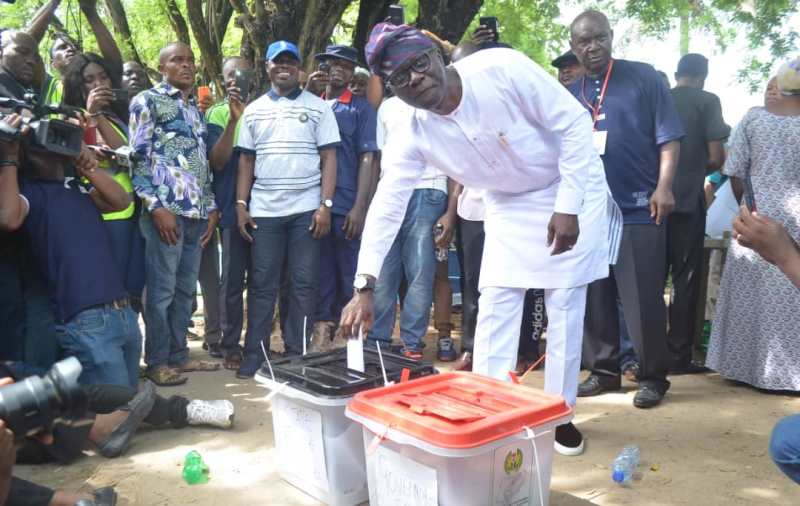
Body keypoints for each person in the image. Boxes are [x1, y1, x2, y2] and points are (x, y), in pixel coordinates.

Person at [340, 23, 618, 456]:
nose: (414, 79)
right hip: (505, 201)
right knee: (495, 300)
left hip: (568, 181)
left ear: (440, 57)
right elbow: (388, 202)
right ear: (391, 88)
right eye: (399, 78)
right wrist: (364, 285)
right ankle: (490, 412)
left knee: (564, 303)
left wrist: (568, 204)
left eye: (418, 64)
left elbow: (574, 124)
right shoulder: (411, 129)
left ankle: (559, 416)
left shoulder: (501, 68)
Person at [569, 10, 684, 408]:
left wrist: (664, 187)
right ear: (573, 46)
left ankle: (652, 376)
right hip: (591, 212)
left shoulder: (644, 78)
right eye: (583, 41)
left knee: (643, 297)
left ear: (611, 37)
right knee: (595, 295)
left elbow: (669, 138)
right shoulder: (571, 93)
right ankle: (604, 371)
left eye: (598, 37)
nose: (592, 47)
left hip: (639, 206)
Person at [0, 111, 141, 389]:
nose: (52, 147)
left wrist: (88, 166)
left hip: (122, 311)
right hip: (85, 320)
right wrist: (9, 159)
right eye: (40, 145)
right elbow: (8, 218)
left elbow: (120, 200)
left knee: (127, 400)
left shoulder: (74, 186)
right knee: (117, 404)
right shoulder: (31, 193)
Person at [234, 41, 339, 377]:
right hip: (264, 210)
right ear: (267, 67)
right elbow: (246, 161)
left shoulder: (319, 108)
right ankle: (256, 355)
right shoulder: (253, 110)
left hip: (306, 210)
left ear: (299, 67)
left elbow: (329, 158)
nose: (285, 67)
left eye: (291, 62)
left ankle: (298, 354)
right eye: (278, 62)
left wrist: (325, 205)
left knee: (304, 283)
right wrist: (240, 204)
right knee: (263, 283)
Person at [705, 57, 800, 391]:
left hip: (757, 220)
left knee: (753, 296)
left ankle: (748, 369)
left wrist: (750, 208)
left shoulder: (753, 120)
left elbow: (736, 173)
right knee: (792, 292)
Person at [130, 42, 222, 386]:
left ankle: (179, 356)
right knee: (162, 290)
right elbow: (137, 159)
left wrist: (210, 206)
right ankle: (157, 361)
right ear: (161, 67)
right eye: (177, 60)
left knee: (185, 290)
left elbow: (201, 165)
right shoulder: (147, 101)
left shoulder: (194, 109)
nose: (186, 66)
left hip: (196, 213)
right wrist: (155, 207)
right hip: (166, 212)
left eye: (190, 60)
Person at [367, 93, 457, 360]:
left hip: (428, 189)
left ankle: (411, 344)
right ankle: (378, 341)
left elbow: (452, 163)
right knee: (384, 271)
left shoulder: (437, 102)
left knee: (420, 271)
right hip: (391, 193)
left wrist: (450, 213)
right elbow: (380, 156)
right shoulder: (387, 106)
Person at [61, 52, 146, 306]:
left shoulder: (115, 115)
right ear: (78, 85)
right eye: (90, 80)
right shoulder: (72, 117)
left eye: (103, 77)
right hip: (105, 214)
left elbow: (127, 153)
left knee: (132, 288)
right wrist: (91, 115)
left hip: (133, 211)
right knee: (113, 289)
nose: (99, 84)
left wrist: (98, 116)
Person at [309, 45, 378, 350]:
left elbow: (368, 159)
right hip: (313, 205)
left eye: (345, 65)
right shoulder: (312, 105)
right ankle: (322, 331)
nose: (337, 69)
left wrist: (360, 207)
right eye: (332, 63)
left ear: (352, 73)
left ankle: (347, 337)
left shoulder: (361, 108)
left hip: (348, 203)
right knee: (320, 272)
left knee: (349, 271)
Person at [667, 53, 730, 373]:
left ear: (677, 73)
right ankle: (678, 356)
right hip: (689, 202)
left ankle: (643, 354)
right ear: (703, 76)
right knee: (685, 279)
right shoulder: (708, 101)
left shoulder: (660, 97)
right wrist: (691, 170)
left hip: (650, 201)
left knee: (647, 281)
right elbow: (717, 157)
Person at [205, 56, 247, 369]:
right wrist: (234, 120)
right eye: (228, 74)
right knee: (231, 280)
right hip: (231, 208)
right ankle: (229, 343)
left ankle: (257, 344)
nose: (234, 79)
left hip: (268, 207)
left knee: (265, 281)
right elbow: (218, 162)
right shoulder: (216, 113)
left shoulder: (263, 107)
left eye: (240, 72)